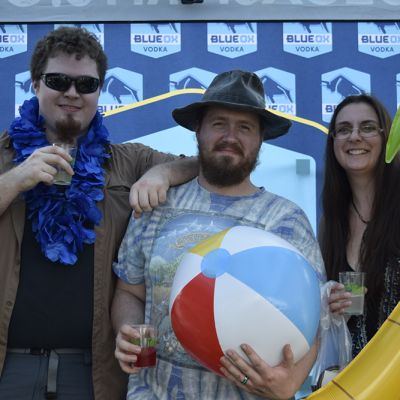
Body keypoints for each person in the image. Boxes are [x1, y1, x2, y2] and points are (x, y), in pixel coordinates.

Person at [0, 26, 197, 400]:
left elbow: (203, 165)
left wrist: (161, 172)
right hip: (8, 367)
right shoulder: (4, 157)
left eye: (86, 85)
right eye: (58, 80)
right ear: (35, 85)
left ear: (99, 92)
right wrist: (15, 180)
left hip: (93, 372)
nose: (72, 93)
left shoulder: (126, 161)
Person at [112, 70, 328, 399]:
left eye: (245, 127)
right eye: (219, 123)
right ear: (198, 130)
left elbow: (315, 318)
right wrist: (126, 330)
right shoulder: (156, 204)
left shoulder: (285, 219)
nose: (231, 136)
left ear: (260, 139)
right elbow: (129, 290)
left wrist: (290, 381)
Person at [319, 94, 400, 358]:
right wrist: (330, 305)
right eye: (343, 129)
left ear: (386, 136)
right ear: (333, 142)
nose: (354, 137)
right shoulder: (330, 222)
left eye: (367, 127)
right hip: (356, 382)